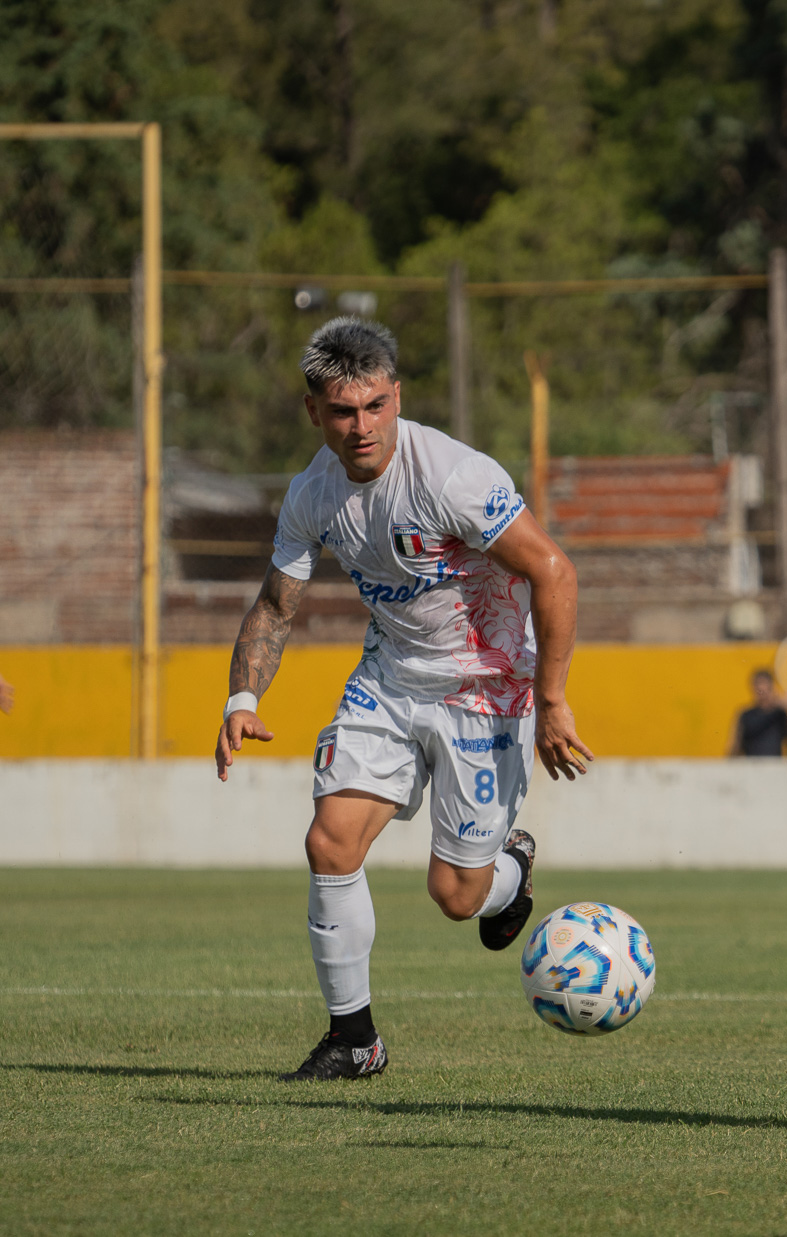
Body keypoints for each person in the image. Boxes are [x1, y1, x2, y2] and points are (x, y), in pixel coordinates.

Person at [215, 317, 593, 1081]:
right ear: (314, 412)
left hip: (485, 690)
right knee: (330, 842)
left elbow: (553, 571)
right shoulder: (310, 495)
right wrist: (241, 697)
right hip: (388, 680)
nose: (363, 427)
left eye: (376, 406)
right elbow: (275, 605)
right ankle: (354, 1042)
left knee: (456, 896)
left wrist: (551, 699)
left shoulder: (451, 475)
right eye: (344, 411)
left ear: (397, 396)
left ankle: (510, 869)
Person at [728, 668, 787, 756]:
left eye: (766, 689)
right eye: (759, 690)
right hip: (752, 766)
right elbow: (735, 745)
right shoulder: (746, 715)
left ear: (772, 688)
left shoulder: (780, 714)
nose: (763, 695)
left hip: (775, 766)